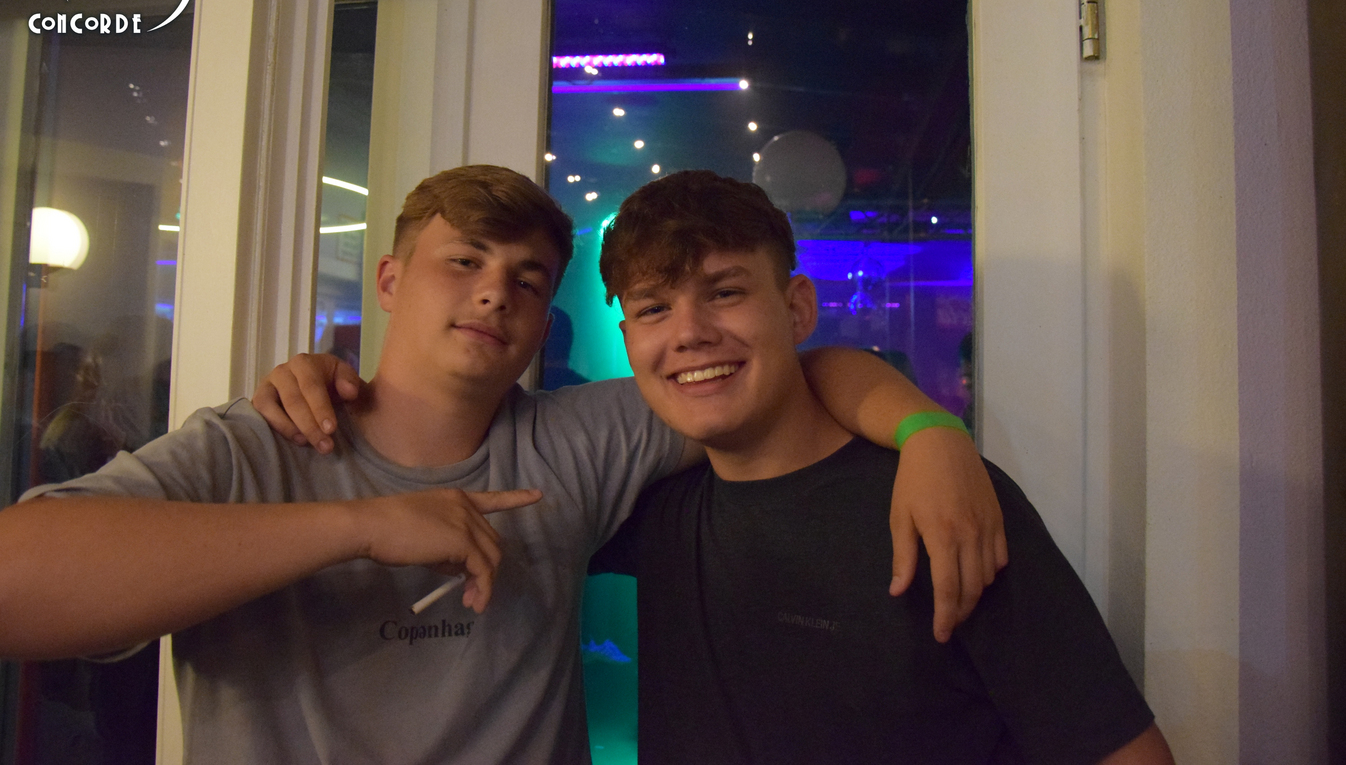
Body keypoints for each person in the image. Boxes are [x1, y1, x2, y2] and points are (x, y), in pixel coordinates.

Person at [0, 165, 1003, 763]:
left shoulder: (580, 440)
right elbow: (17, 586)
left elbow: (784, 371)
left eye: (527, 279)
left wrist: (931, 435)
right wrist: (358, 526)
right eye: (465, 261)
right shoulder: (252, 446)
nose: (494, 293)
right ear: (389, 280)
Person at [586, 170, 1174, 764]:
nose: (689, 333)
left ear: (797, 309)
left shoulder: (940, 501)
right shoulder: (650, 510)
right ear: (628, 339)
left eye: (725, 293)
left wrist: (929, 433)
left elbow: (1125, 754)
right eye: (655, 308)